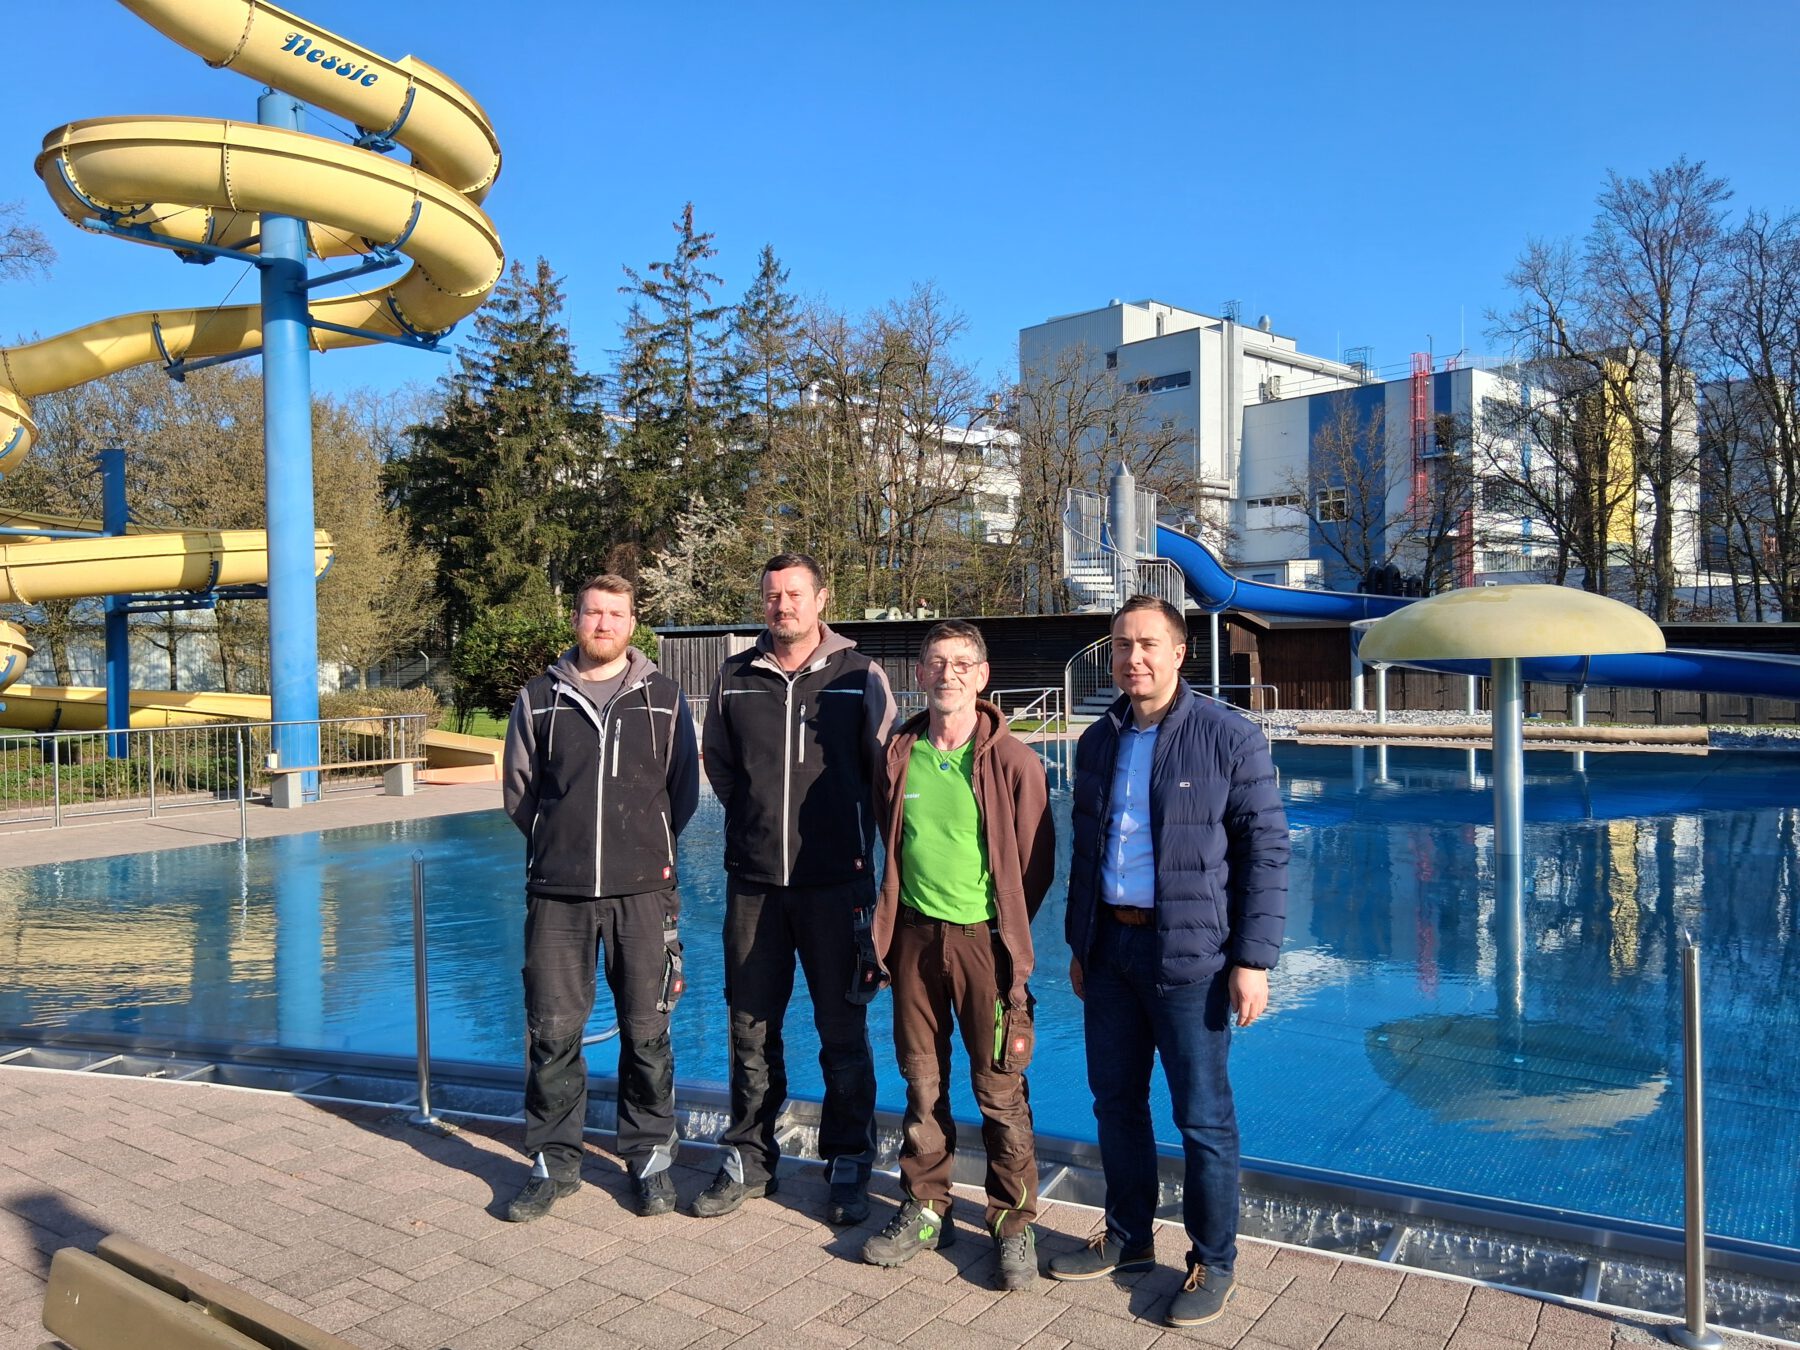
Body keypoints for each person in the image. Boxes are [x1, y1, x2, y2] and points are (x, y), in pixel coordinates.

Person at [1048, 594, 1289, 1328]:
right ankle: (1127, 1238)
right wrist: (1080, 944)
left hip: (1192, 956)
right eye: (1122, 645)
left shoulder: (1228, 737)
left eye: (1149, 644)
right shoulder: (1098, 740)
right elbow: (1086, 853)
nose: (1134, 659)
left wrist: (1253, 959)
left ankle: (1213, 1261)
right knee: (1115, 1104)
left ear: (1182, 653)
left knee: (1202, 1118)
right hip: (1111, 950)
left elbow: (1266, 851)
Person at [697, 553, 897, 1222]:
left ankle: (848, 1161)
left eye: (795, 594)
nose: (783, 605)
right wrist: (756, 823)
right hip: (753, 887)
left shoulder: (860, 676)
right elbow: (720, 768)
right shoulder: (734, 677)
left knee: (842, 1030)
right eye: (773, 595)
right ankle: (749, 1161)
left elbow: (884, 778)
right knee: (750, 1031)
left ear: (822, 600)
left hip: (836, 886)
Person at [861, 621, 1054, 1290]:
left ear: (982, 676)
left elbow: (1035, 864)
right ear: (919, 674)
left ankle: (1014, 1223)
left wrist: (1001, 932)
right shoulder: (898, 755)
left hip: (983, 945)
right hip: (913, 940)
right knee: (922, 1082)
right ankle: (925, 1206)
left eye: (961, 663)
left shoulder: (1014, 763)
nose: (948, 673)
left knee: (999, 1089)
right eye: (935, 662)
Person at [500, 574, 699, 1222]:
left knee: (647, 1033)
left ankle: (649, 1160)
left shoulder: (664, 699)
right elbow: (520, 796)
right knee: (553, 1032)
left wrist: (641, 851)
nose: (603, 623)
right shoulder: (538, 700)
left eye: (616, 613)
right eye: (593, 612)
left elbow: (682, 792)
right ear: (576, 617)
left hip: (643, 895)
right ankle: (553, 1162)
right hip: (558, 897)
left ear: (632, 623)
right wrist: (564, 848)